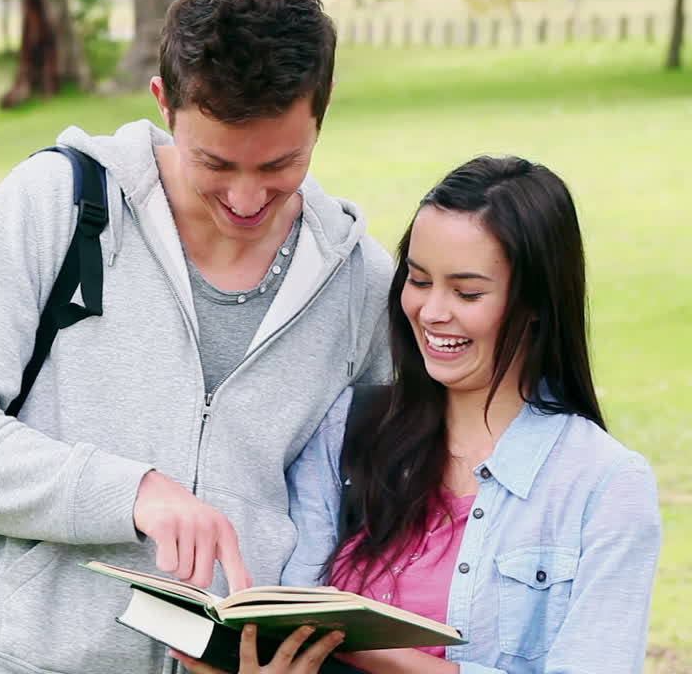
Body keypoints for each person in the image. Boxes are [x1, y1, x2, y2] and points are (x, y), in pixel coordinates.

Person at [0, 0, 394, 673]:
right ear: (163, 103)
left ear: (321, 113)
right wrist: (133, 492)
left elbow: (394, 496)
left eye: (279, 164)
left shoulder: (361, 279)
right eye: (215, 162)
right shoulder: (58, 204)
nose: (245, 197)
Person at [180, 156, 662, 673]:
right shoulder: (347, 430)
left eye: (467, 291)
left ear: (537, 301)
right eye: (419, 279)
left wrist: (368, 649)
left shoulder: (605, 485)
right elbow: (291, 611)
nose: (432, 312)